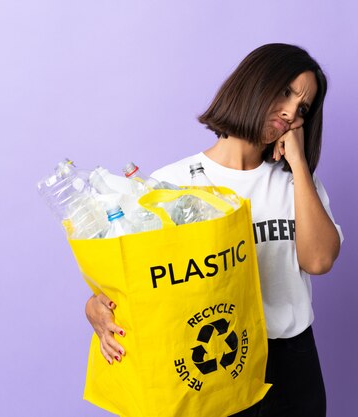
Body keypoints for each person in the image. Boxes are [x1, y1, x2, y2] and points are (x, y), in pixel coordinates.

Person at [85, 43, 343, 417]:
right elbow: (142, 282)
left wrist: (299, 163)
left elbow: (318, 261)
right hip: (215, 360)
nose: (290, 112)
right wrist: (95, 306)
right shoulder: (171, 185)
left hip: (291, 361)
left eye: (302, 108)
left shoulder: (298, 185)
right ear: (254, 82)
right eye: (286, 92)